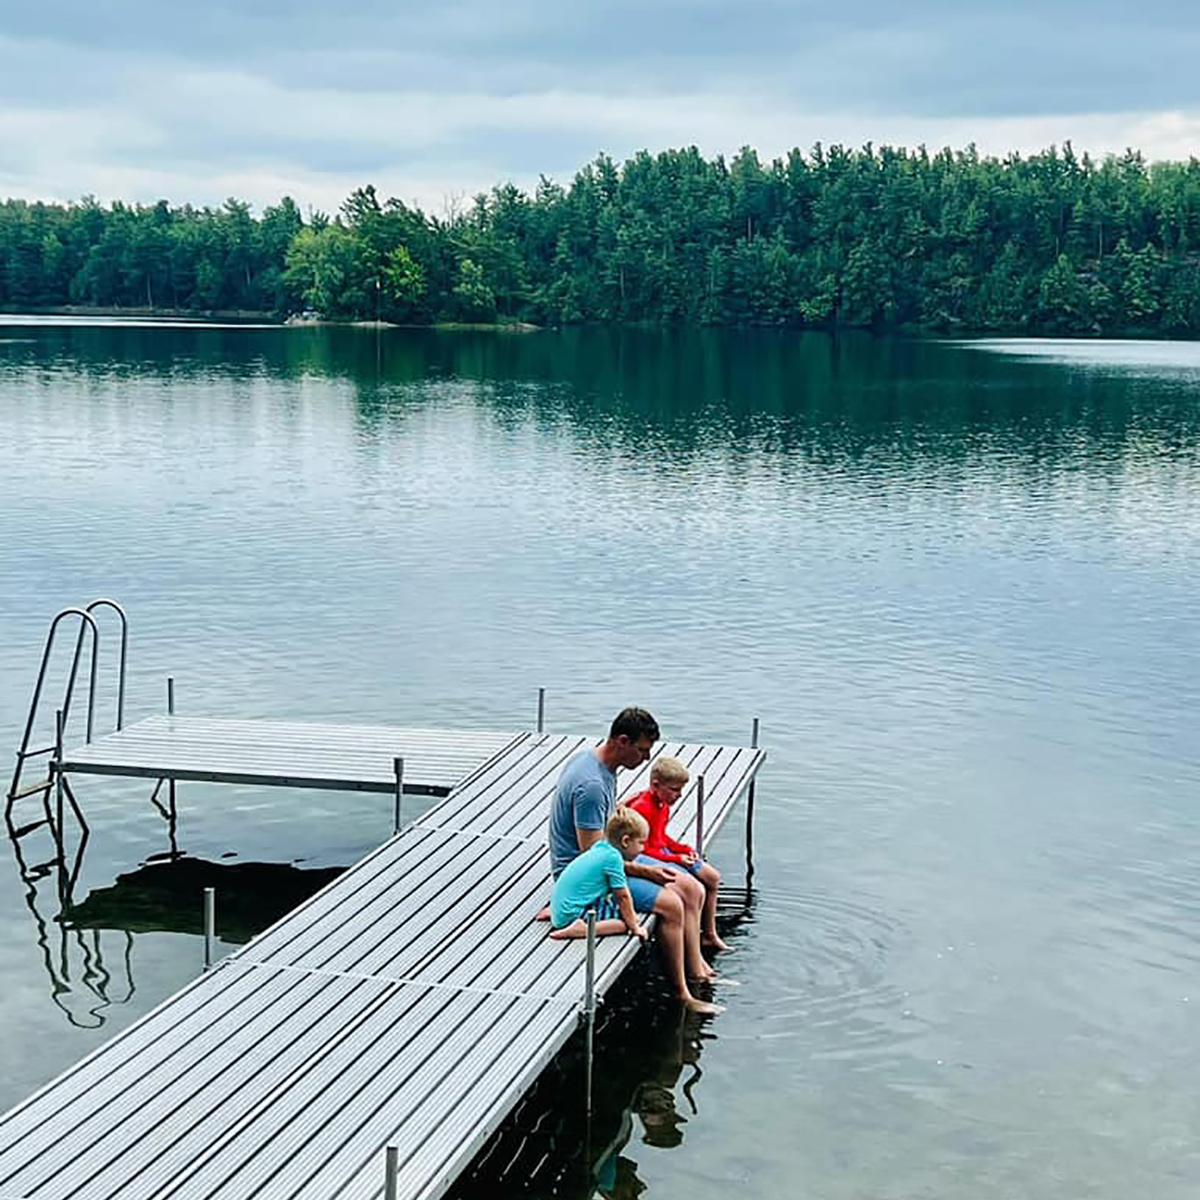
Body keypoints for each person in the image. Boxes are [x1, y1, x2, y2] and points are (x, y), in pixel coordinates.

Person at [546, 706, 723, 1015]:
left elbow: (605, 833)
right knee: (672, 904)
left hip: (606, 856)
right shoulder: (591, 786)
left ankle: (696, 966)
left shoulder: (597, 764)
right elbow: (591, 858)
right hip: (583, 872)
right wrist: (645, 870)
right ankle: (683, 992)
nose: (646, 758)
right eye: (642, 750)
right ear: (623, 741)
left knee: (693, 889)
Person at [625, 755, 730, 953]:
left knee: (712, 878)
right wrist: (675, 858)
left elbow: (660, 836)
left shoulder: (663, 804)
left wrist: (681, 848)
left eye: (681, 790)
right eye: (674, 790)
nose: (679, 796)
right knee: (694, 888)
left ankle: (709, 933)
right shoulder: (642, 808)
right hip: (650, 857)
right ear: (655, 785)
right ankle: (693, 942)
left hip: (663, 852)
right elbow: (644, 848)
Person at [548, 807, 652, 941]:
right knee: (622, 924)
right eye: (641, 843)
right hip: (571, 917)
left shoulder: (601, 847)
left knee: (621, 911)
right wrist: (635, 927)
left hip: (560, 909)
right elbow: (623, 896)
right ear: (625, 841)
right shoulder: (613, 858)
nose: (643, 849)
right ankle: (582, 929)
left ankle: (564, 915)